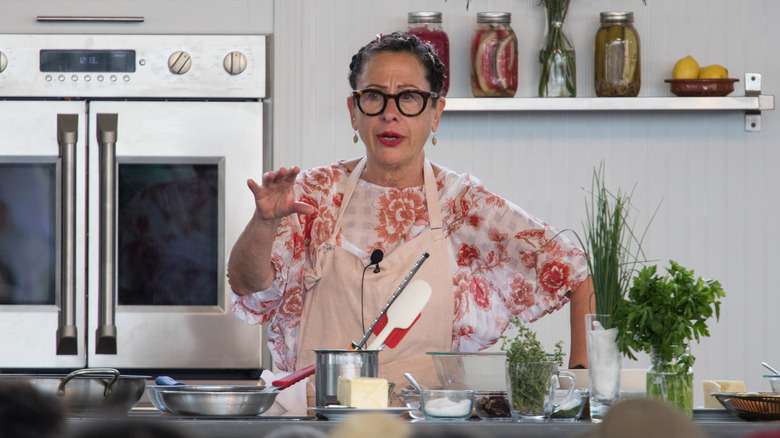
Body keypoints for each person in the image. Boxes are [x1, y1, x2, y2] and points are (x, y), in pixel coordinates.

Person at [228, 32, 592, 405]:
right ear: (354, 112)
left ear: (436, 113)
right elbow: (245, 283)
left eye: (409, 97)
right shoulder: (314, 193)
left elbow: (575, 271)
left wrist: (581, 380)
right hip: (318, 419)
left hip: (429, 424)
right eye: (373, 96)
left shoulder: (461, 205)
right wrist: (264, 222)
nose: (390, 112)